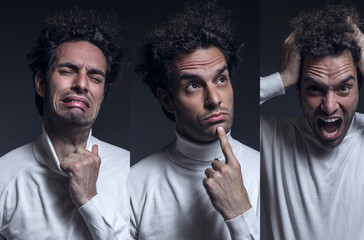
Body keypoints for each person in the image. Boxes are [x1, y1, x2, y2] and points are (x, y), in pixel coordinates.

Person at [130, 2, 259, 239]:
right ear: (167, 100)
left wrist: (240, 212)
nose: (214, 99)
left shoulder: (270, 174)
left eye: (221, 80)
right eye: (193, 85)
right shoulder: (134, 186)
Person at [260, 4, 364, 239]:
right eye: (315, 89)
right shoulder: (273, 139)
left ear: (360, 87)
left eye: (344, 88)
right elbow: (224, 106)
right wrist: (282, 78)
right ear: (297, 89)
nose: (329, 105)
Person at [0, 8, 129, 239]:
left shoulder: (130, 170)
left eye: (95, 77)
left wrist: (90, 200)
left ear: (102, 94)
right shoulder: (4, 176)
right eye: (68, 70)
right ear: (41, 83)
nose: (81, 84)